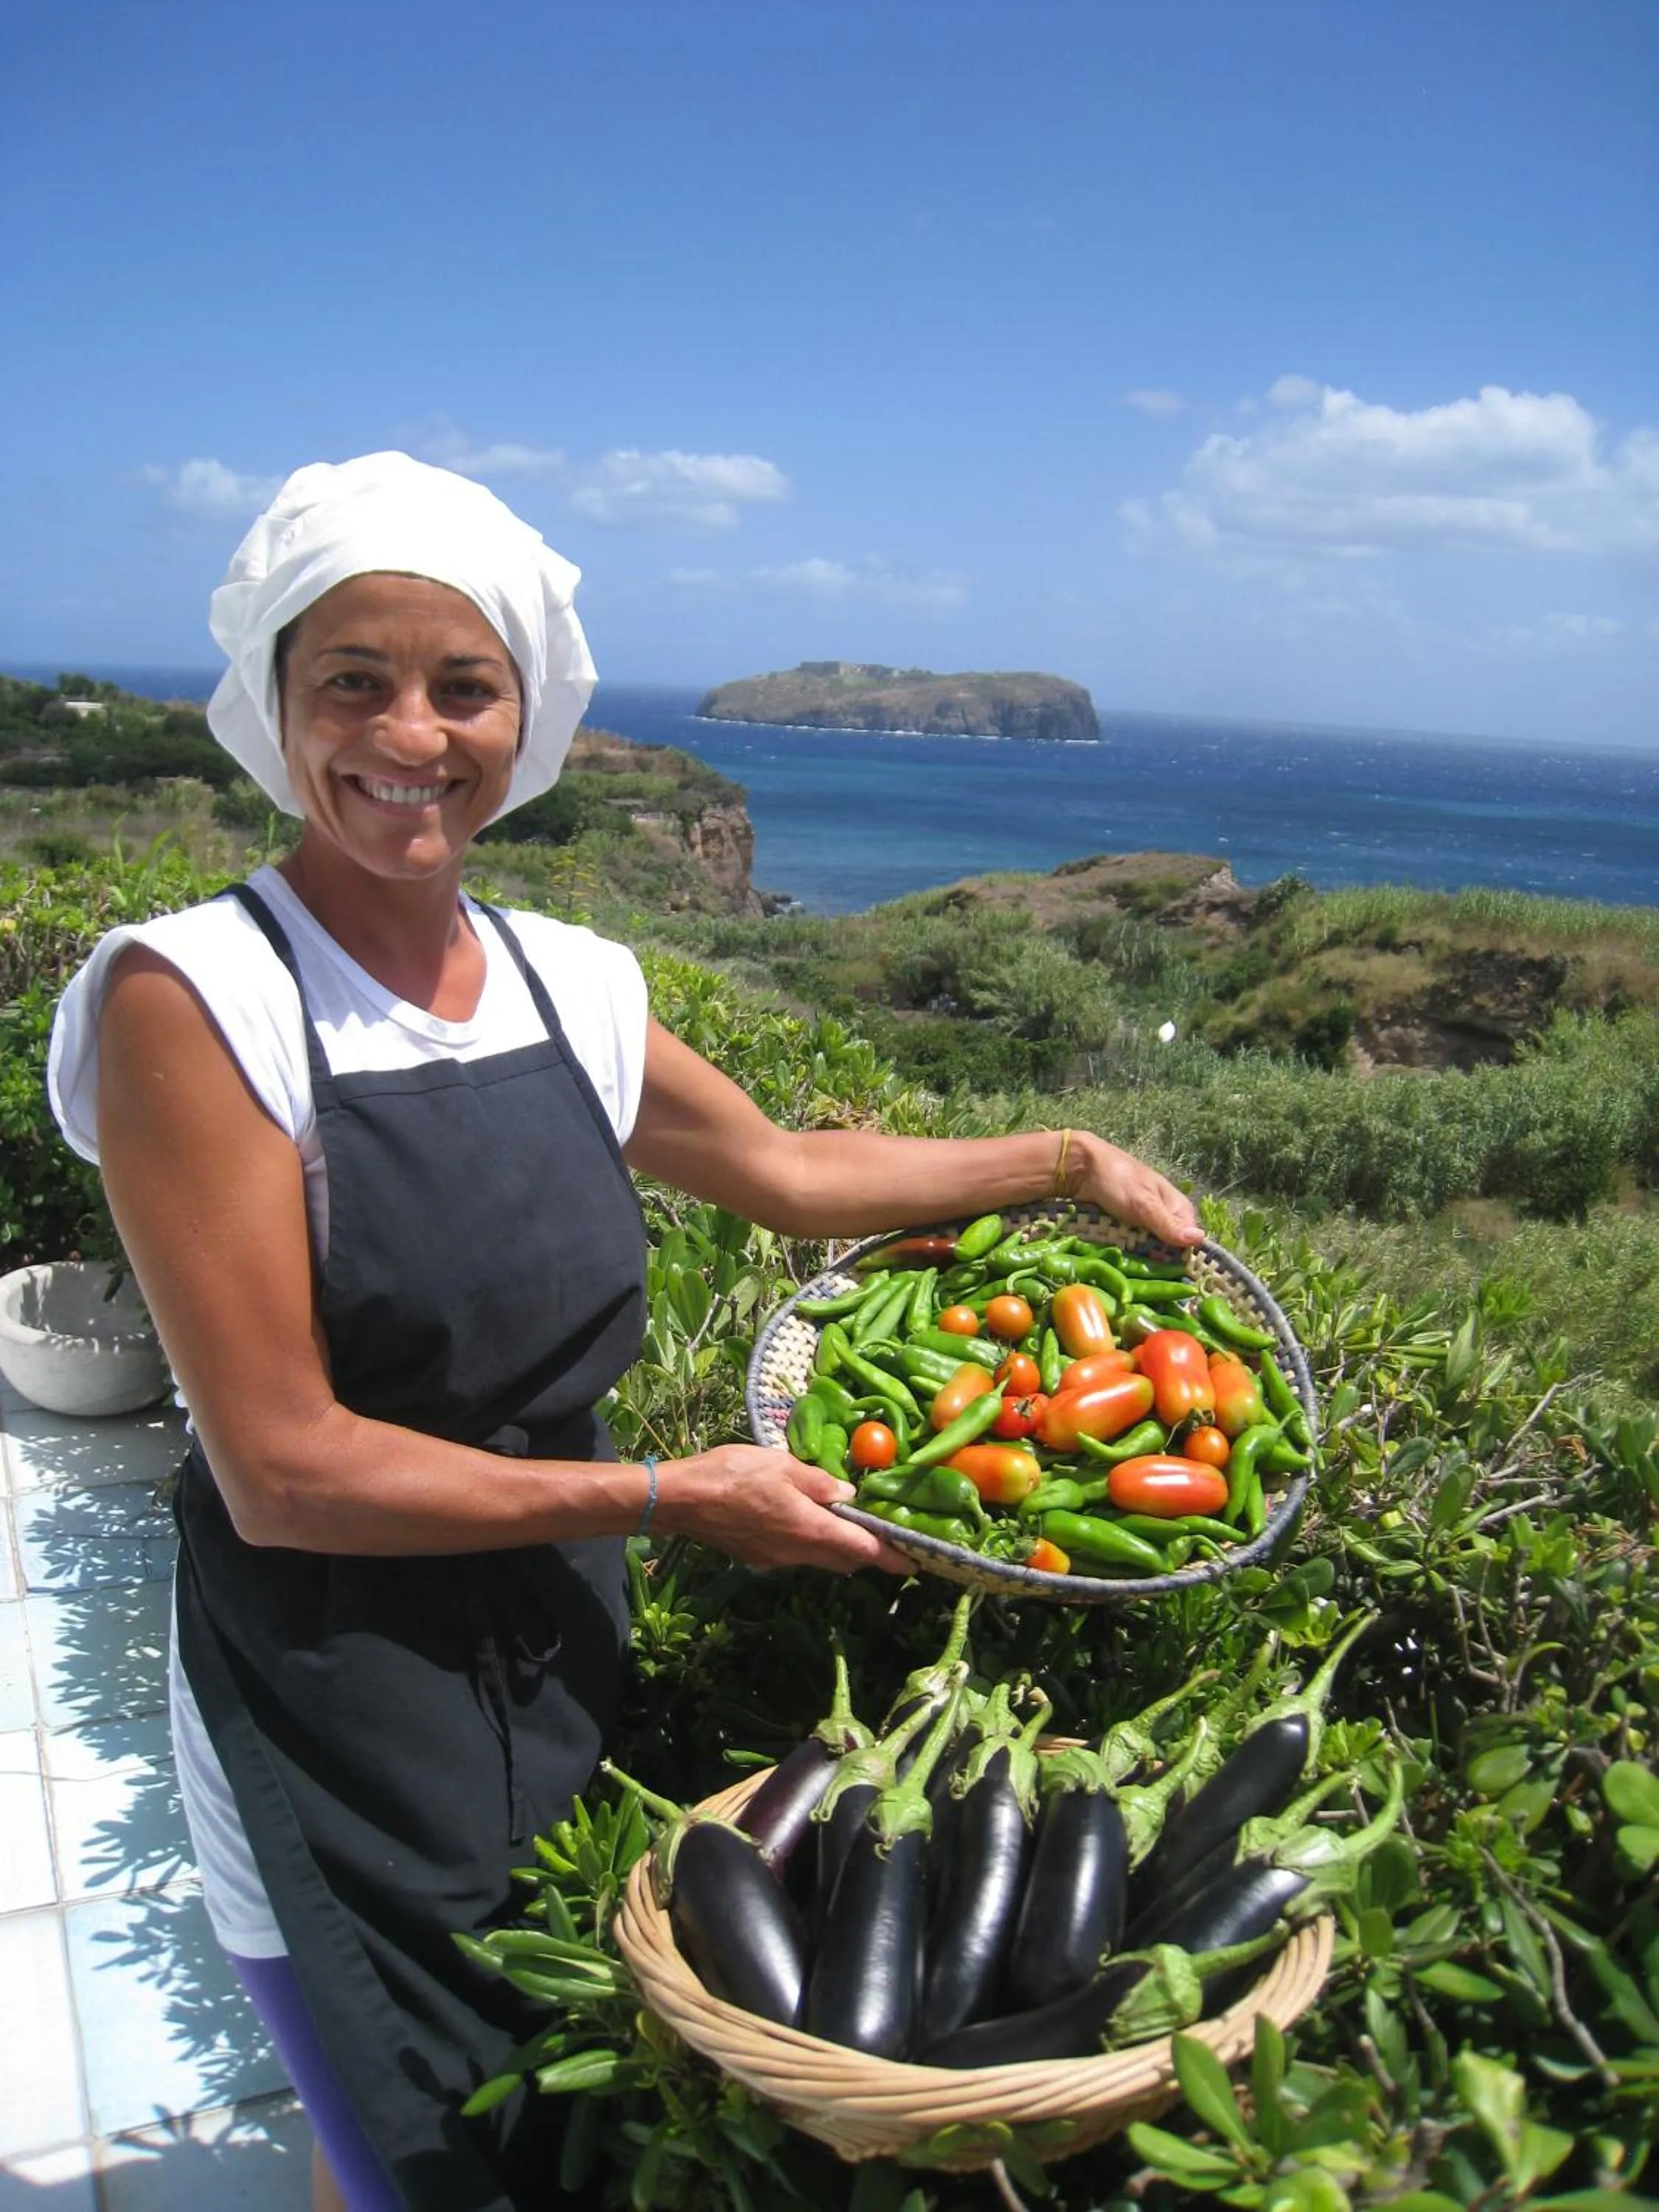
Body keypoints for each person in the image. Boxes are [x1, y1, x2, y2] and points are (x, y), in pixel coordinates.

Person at [47, 453, 1201, 2212]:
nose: (410, 734)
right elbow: (282, 1471)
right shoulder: (197, 996)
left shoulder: (563, 982)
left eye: (464, 685)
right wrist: (670, 1500)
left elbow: (788, 1171)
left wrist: (1064, 1159)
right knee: (411, 2126)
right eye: (352, 680)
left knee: (542, 2094)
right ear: (274, 706)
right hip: (331, 1667)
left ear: (528, 718)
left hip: (554, 1621)